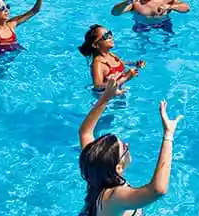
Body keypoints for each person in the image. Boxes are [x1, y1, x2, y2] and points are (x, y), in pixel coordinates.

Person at [78, 78, 183, 216]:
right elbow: (158, 190)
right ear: (118, 168)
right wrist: (168, 135)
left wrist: (106, 96)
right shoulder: (114, 197)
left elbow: (85, 132)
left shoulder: (96, 170)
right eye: (124, 148)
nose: (127, 144)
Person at [79, 25, 145, 90]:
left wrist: (134, 64)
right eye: (105, 36)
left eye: (109, 33)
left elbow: (120, 63)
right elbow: (97, 86)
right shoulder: (98, 64)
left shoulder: (111, 55)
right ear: (95, 45)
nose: (110, 36)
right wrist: (126, 78)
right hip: (108, 98)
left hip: (118, 91)